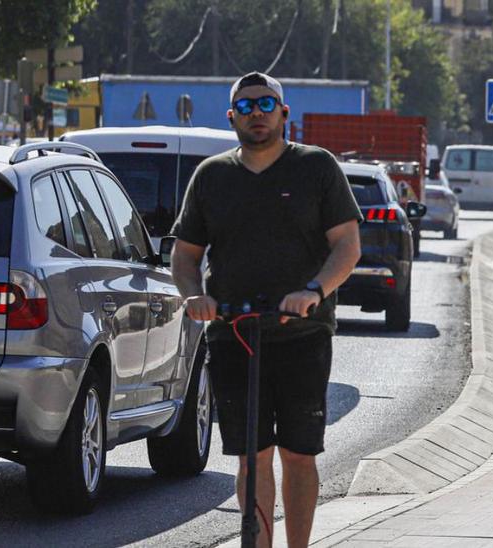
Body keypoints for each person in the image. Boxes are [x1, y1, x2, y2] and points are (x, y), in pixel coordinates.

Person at [170, 72, 362, 548]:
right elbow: (185, 255)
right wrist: (196, 295)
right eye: (247, 106)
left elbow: (347, 247)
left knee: (299, 453)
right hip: (233, 332)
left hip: (301, 334)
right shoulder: (212, 176)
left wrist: (313, 290)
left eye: (266, 104)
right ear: (232, 116)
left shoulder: (317, 167)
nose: (257, 113)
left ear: (284, 113)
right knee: (251, 456)